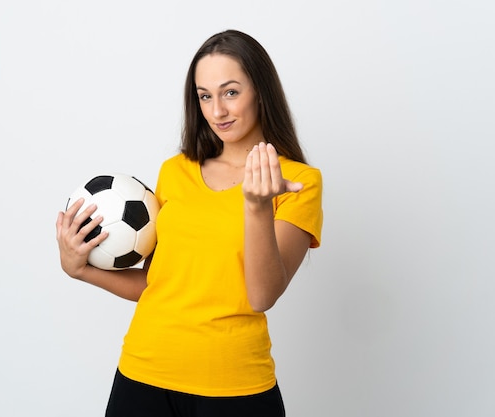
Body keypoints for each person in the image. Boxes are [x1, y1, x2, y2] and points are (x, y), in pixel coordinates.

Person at [56, 29, 323, 417]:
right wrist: (78, 270)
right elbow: (155, 284)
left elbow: (262, 296)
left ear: (261, 92)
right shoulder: (175, 171)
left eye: (231, 92)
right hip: (143, 374)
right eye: (205, 96)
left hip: (235, 387)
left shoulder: (300, 182)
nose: (217, 111)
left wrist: (257, 207)